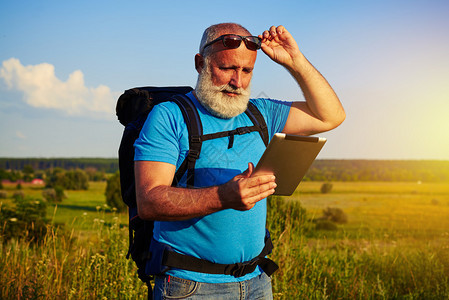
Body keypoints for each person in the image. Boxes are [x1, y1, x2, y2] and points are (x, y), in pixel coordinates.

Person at [134, 23, 345, 299]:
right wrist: (224, 196)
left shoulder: (262, 113)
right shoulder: (169, 117)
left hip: (256, 282)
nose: (238, 82)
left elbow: (330, 116)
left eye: (247, 71)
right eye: (227, 69)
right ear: (200, 63)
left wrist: (296, 62)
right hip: (190, 286)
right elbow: (149, 201)